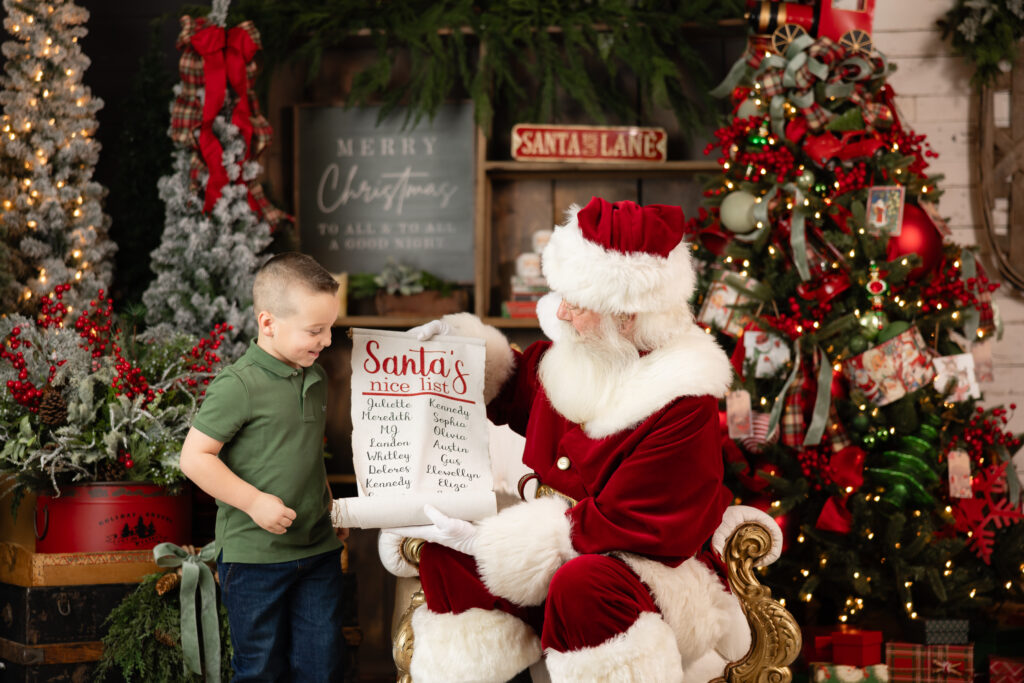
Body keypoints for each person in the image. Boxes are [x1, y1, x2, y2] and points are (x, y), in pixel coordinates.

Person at [361, 197, 755, 682]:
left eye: (577, 302)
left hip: (646, 573)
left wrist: (495, 542)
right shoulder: (587, 354)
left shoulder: (683, 400)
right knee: (449, 559)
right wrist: (457, 355)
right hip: (563, 551)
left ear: (627, 315)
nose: (561, 312)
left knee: (581, 583)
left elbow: (628, 525)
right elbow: (517, 387)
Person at [180, 252, 346, 682]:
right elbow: (194, 458)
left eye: (329, 328)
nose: (326, 340)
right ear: (268, 323)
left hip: (317, 550)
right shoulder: (239, 385)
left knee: (321, 664)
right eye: (315, 330)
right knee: (260, 668)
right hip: (254, 558)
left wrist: (329, 506)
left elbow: (306, 455)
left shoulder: (316, 377)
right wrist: (254, 502)